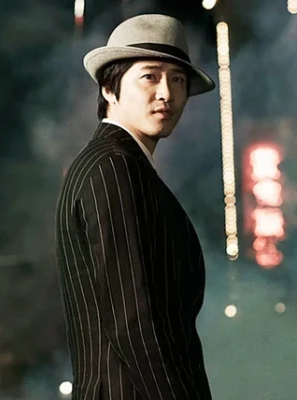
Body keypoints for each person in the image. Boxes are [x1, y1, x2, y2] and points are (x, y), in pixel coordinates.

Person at [55, 14, 216, 400]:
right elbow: (136, 321)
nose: (166, 93)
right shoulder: (113, 167)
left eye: (177, 80)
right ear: (109, 88)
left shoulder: (117, 165)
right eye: (149, 76)